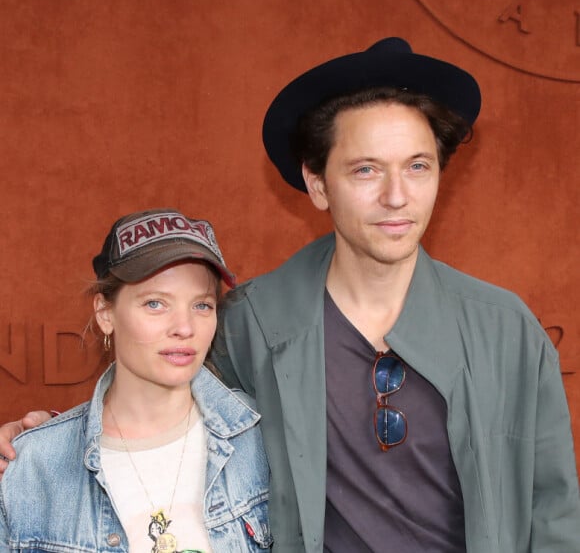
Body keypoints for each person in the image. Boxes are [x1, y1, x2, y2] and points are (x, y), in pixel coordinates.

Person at [1, 38, 579, 552]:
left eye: (418, 166)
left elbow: (555, 514)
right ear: (317, 183)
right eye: (366, 171)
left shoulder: (505, 328)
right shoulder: (251, 324)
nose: (397, 197)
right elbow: (165, 416)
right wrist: (45, 444)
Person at [0, 209, 272, 552]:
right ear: (106, 314)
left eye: (201, 305)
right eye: (156, 303)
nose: (185, 328)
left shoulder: (262, 434)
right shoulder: (34, 467)